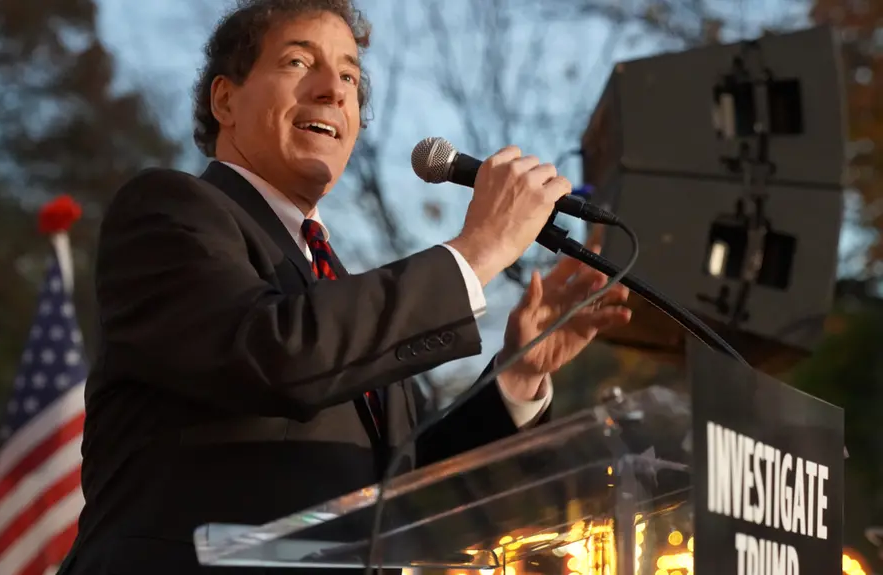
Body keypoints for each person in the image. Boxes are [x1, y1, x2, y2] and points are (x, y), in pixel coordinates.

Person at [58, 0, 631, 573]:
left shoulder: (337, 292)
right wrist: (478, 250)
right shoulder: (165, 212)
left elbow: (414, 479)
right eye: (298, 62)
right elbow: (276, 352)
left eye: (351, 75)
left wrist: (521, 369)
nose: (334, 89)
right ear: (225, 99)